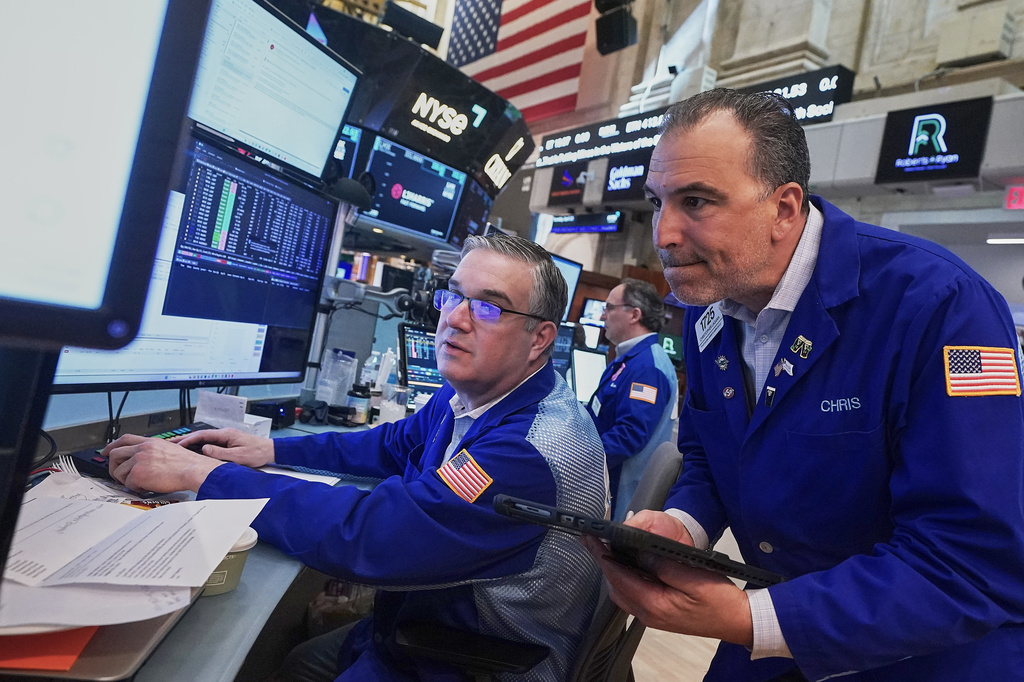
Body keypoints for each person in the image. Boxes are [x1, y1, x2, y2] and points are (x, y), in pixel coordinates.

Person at [585, 88, 1024, 682]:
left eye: (696, 202)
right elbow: (708, 459)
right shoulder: (710, 307)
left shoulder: (943, 306)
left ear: (784, 209)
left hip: (924, 653)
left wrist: (749, 619)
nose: (663, 233)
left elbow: (969, 558)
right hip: (778, 625)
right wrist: (681, 526)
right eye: (657, 202)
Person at [105, 233, 609, 682]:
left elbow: (371, 536)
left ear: (540, 338)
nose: (454, 318)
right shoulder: (474, 394)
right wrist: (272, 448)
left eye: (488, 307)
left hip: (474, 658)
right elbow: (389, 444)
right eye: (454, 295)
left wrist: (205, 474)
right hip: (425, 621)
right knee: (297, 661)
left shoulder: (528, 452)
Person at [586, 278, 677, 520]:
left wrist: (578, 458)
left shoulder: (648, 368)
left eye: (609, 308)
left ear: (634, 314)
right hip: (606, 484)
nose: (603, 316)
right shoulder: (629, 358)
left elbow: (629, 436)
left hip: (618, 497)